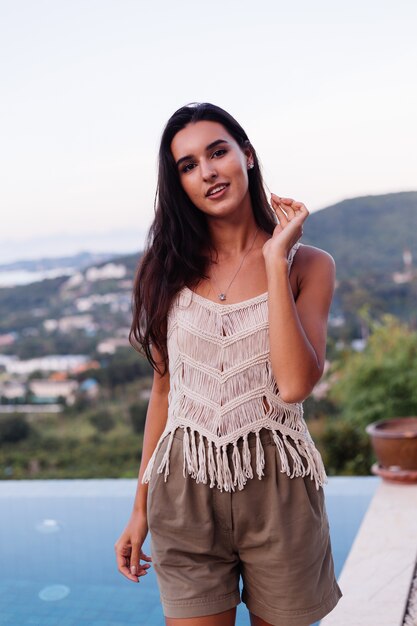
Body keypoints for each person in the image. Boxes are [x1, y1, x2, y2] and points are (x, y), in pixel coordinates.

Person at [114, 102, 342, 626]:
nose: (208, 171)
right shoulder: (163, 269)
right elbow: (164, 395)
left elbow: (293, 384)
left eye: (218, 152)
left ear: (248, 156)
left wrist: (273, 261)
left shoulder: (310, 266)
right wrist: (139, 511)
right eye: (188, 165)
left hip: (279, 491)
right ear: (180, 184)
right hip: (184, 488)